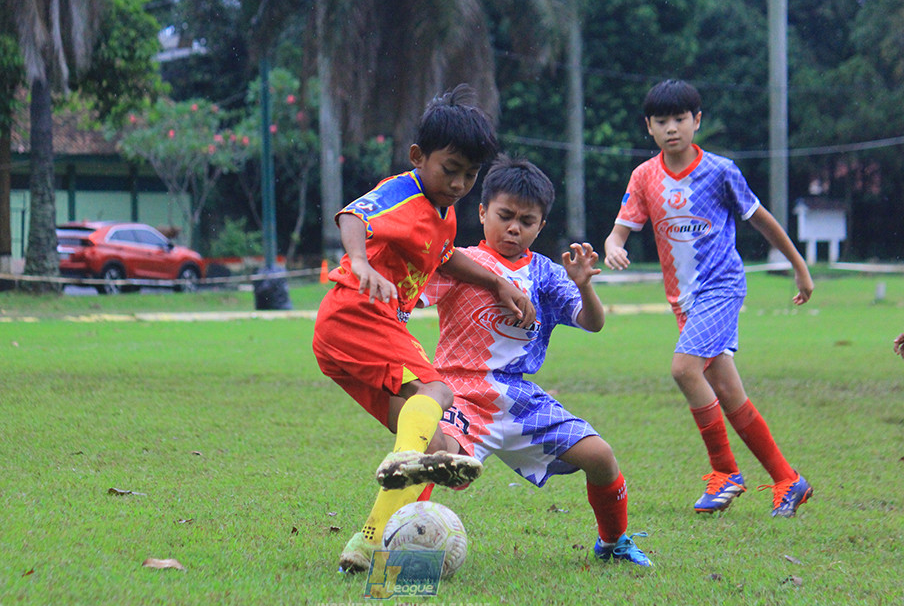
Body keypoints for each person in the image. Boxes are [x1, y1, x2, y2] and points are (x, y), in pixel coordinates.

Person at [313, 85, 537, 573]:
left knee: (433, 445)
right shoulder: (405, 190)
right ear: (419, 157)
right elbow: (353, 214)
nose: (458, 184)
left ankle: (367, 541)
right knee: (438, 389)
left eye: (470, 175)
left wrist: (498, 283)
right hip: (356, 313)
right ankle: (400, 464)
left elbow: (446, 258)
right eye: (449, 170)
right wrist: (358, 261)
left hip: (352, 338)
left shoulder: (445, 214)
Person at [418, 154, 652, 566]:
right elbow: (410, 291)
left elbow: (592, 323)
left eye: (526, 221)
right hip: (460, 394)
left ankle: (613, 542)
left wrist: (584, 288)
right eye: (505, 215)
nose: (513, 228)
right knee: (437, 460)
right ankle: (398, 539)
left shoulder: (545, 273)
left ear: (540, 226)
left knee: (601, 457)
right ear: (482, 211)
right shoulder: (458, 262)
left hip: (519, 397)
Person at [603, 79, 815, 518]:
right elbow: (621, 228)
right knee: (726, 389)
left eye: (680, 118)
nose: (671, 128)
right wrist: (614, 245)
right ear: (649, 127)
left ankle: (725, 472)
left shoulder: (721, 170)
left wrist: (798, 264)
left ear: (697, 120)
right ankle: (788, 480)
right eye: (661, 121)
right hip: (683, 301)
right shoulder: (644, 177)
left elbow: (761, 220)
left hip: (721, 289)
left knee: (684, 369)